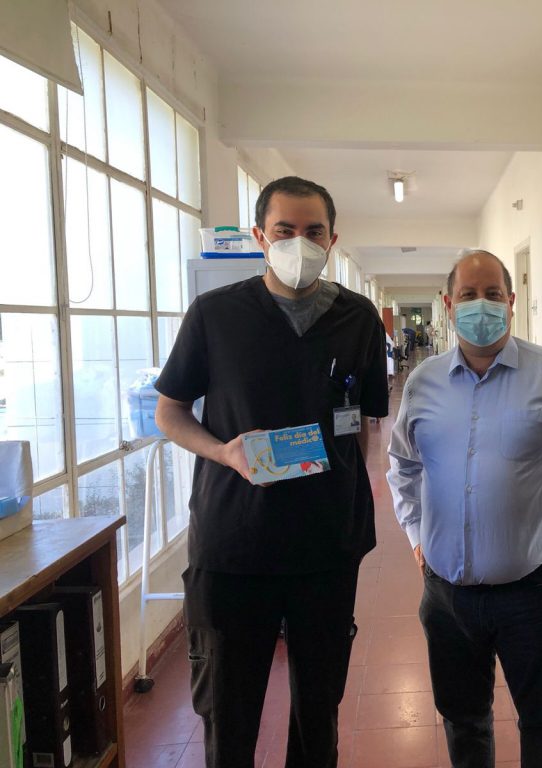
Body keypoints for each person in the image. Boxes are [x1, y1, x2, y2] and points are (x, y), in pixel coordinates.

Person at [154, 176, 389, 768]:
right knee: (229, 710)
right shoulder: (215, 314)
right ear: (260, 236)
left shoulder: (358, 318)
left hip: (326, 545)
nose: (299, 243)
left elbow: (362, 423)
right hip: (235, 544)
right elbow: (169, 412)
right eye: (284, 230)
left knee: (319, 709)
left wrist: (341, 490)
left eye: (313, 231)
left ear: (332, 239)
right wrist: (224, 453)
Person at [387, 249, 542, 768]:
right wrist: (416, 534)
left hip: (531, 593)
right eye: (468, 295)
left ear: (511, 301)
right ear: (448, 305)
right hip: (447, 596)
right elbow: (403, 466)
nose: (480, 305)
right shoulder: (423, 382)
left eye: (492, 294)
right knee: (463, 721)